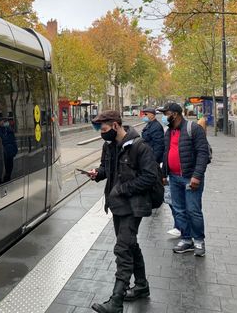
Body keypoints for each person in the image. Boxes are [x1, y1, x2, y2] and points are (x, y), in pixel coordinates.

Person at [86, 110, 159, 313]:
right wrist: (97, 174)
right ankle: (142, 286)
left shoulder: (139, 146)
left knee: (123, 249)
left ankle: (116, 301)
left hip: (133, 206)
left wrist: (123, 189)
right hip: (117, 205)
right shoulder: (108, 146)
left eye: (104, 128)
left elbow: (150, 177)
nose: (102, 132)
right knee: (130, 245)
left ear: (116, 125)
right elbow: (105, 169)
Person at [158, 102, 210, 257]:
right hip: (173, 178)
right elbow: (166, 153)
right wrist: (163, 173)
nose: (164, 117)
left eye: (165, 113)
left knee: (193, 210)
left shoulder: (193, 128)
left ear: (175, 114)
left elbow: (203, 153)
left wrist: (197, 176)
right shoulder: (168, 131)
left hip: (190, 178)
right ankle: (187, 239)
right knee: (179, 210)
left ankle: (199, 240)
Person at [141, 108, 180, 237]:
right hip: (161, 165)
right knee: (170, 197)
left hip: (161, 165)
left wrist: (153, 161)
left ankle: (181, 227)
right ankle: (180, 226)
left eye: (145, 114)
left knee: (172, 198)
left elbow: (158, 146)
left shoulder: (156, 127)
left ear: (151, 115)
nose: (144, 116)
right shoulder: (154, 126)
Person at [0, 117, 17, 185]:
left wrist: (15, 151)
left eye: (5, 121)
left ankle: (7, 181)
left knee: (9, 169)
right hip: (1, 154)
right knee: (0, 170)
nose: (4, 122)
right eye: (2, 121)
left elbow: (14, 141)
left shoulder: (10, 130)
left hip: (10, 153)